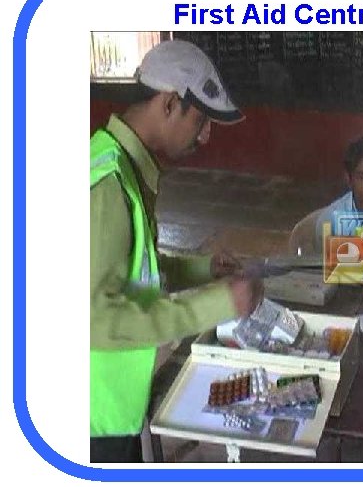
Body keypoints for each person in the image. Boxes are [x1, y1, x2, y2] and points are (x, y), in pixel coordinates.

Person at [90, 39, 262, 462]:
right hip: (92, 417)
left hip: (117, 404)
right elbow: (94, 318)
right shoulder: (106, 184)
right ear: (169, 104)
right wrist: (213, 305)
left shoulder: (124, 166)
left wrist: (203, 269)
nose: (205, 136)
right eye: (201, 120)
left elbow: (132, 270)